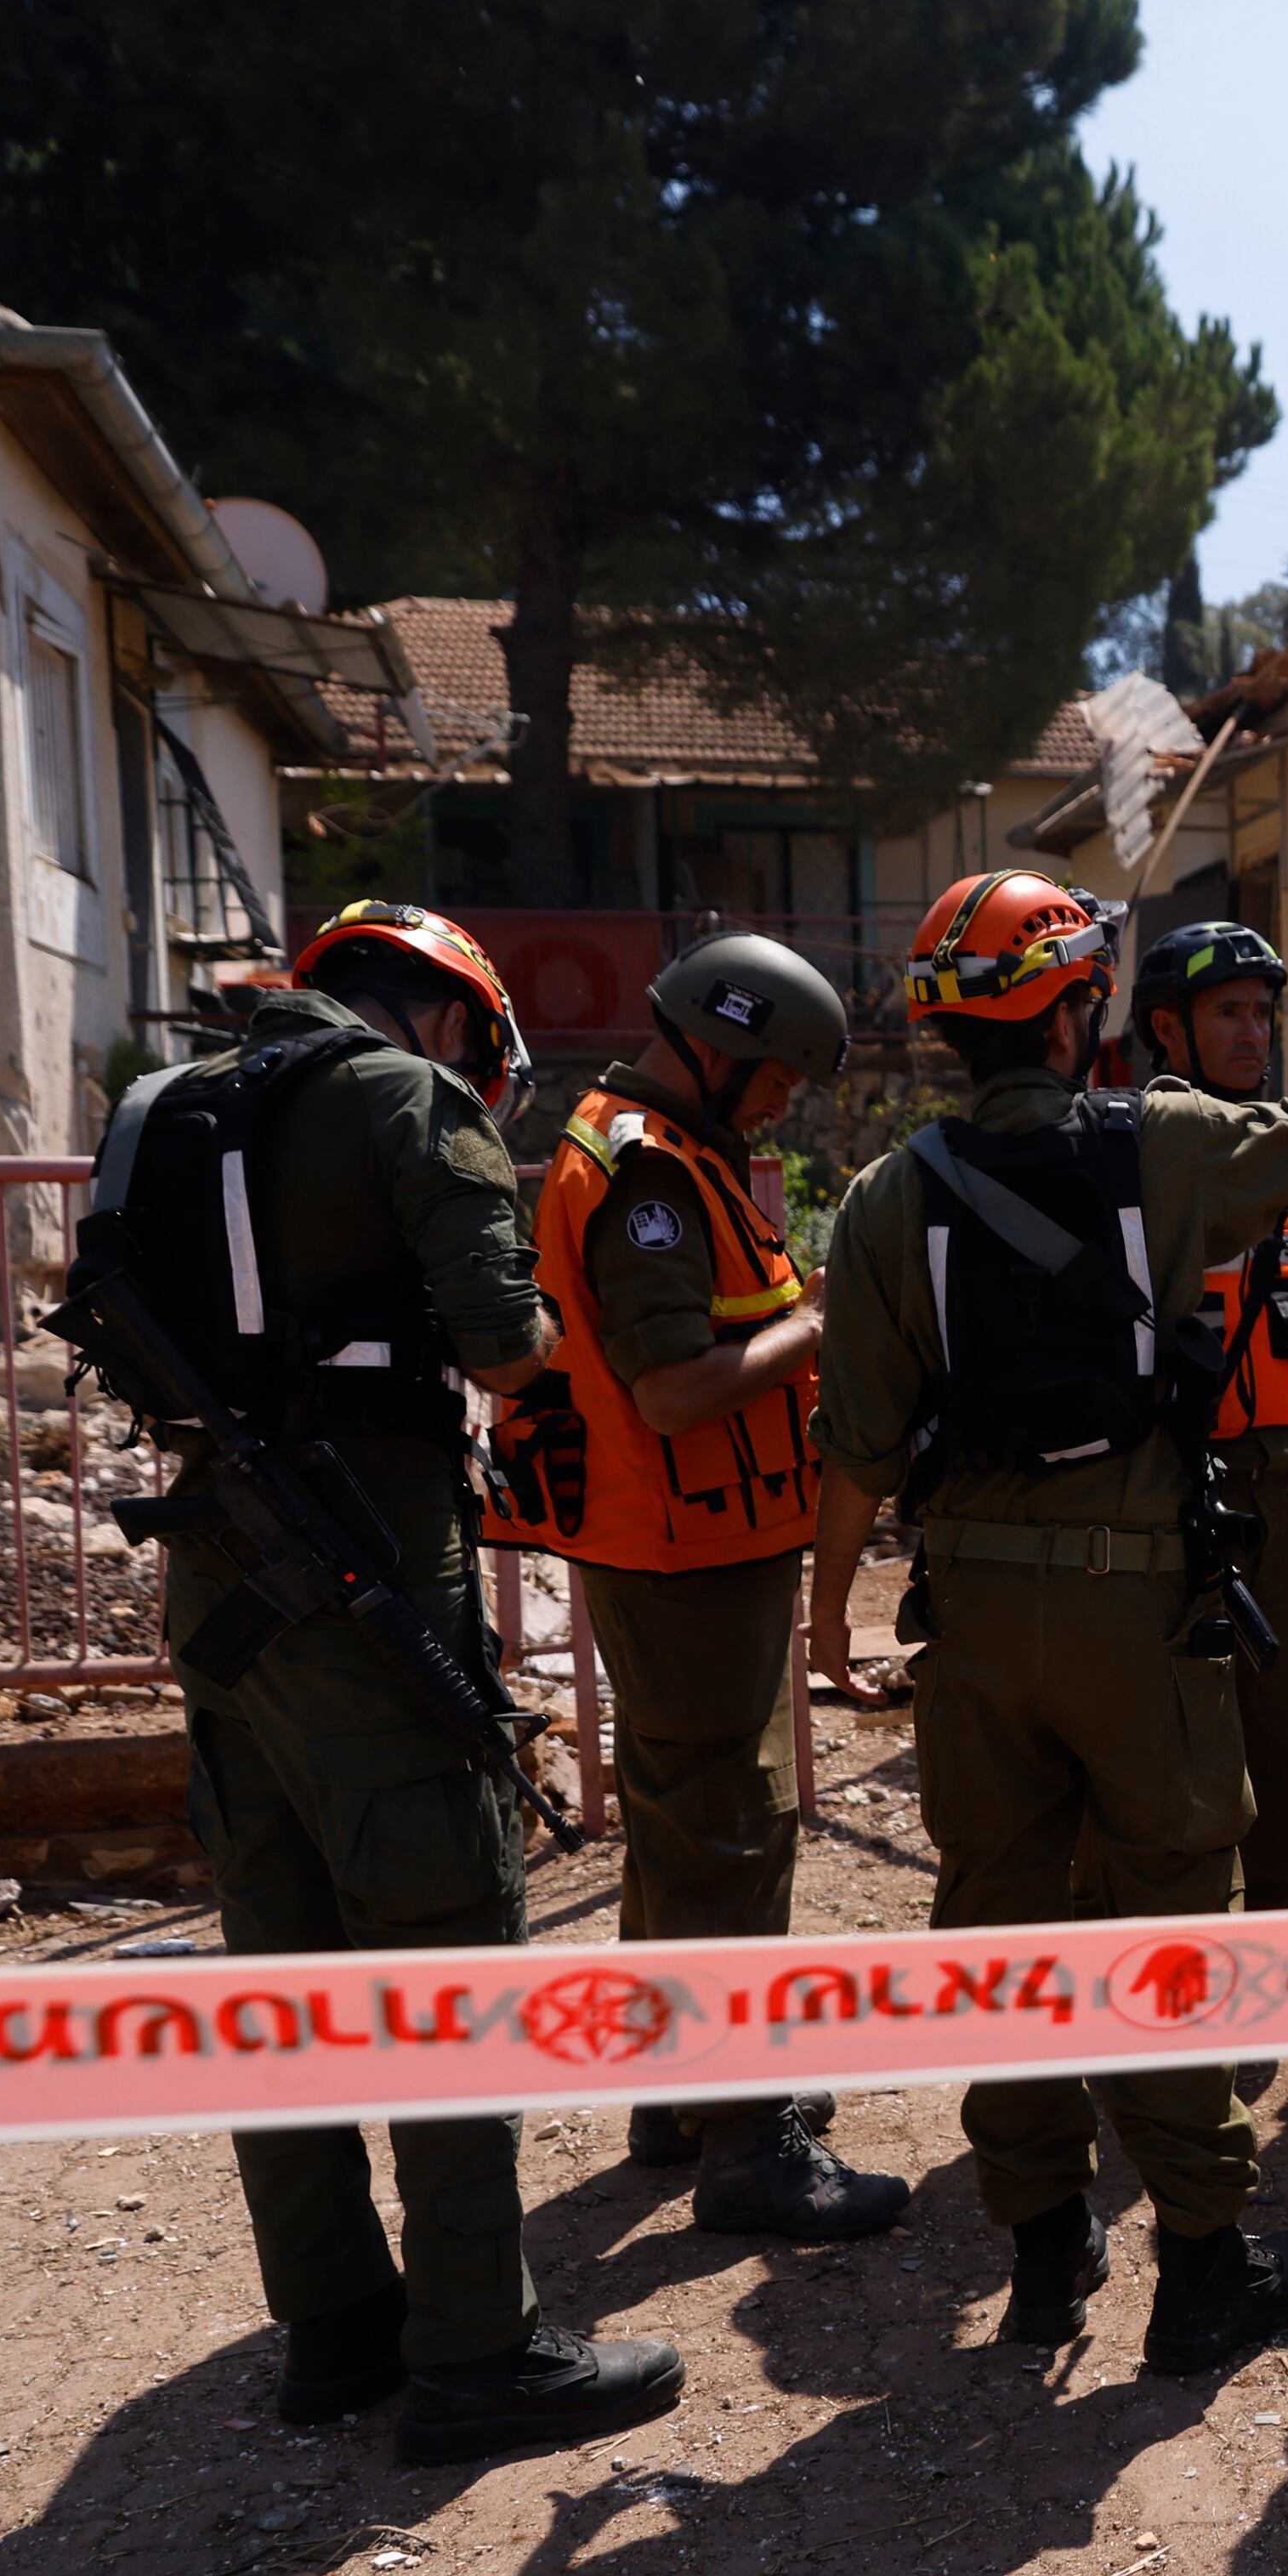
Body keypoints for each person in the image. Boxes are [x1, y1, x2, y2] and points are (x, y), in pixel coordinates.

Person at [803, 871, 1288, 2375]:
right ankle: (1201, 2261)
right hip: (1139, 1605)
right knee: (1172, 1913)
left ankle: (1042, 2249)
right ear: (1079, 1011)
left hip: (976, 1620)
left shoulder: (886, 1198)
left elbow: (860, 1453)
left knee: (995, 1926)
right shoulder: (1168, 1145)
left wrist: (824, 1630)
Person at [132, 903, 688, 2461]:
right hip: (371, 1570)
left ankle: (334, 2325)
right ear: (446, 1015)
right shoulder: (401, 1096)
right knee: (449, 1958)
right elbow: (505, 1343)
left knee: (282, 1970)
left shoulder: (173, 1107)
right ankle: (477, 2345)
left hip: (216, 1576)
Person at [482, 933, 909, 2239]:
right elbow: (671, 1392)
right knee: (732, 1825)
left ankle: (680, 2094)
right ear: (718, 1047)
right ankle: (748, 2145)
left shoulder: (657, 1148)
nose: (784, 1101)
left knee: (680, 1825)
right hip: (682, 1550)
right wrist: (816, 1330)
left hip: (688, 1545)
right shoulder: (650, 1176)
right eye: (776, 1075)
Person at [1130, 921, 1288, 1914]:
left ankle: (1275, 1908)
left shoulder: (1284, 1177)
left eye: (1264, 1013)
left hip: (1277, 1506)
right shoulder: (1144, 1157)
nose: (1254, 1034)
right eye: (1229, 1013)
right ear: (1166, 1031)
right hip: (1173, 1503)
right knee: (1181, 1735)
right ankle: (1190, 1934)